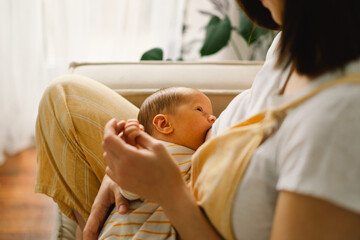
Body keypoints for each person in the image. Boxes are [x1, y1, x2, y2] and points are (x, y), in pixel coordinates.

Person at [35, 0, 360, 239]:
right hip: (186, 158)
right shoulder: (294, 42)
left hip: (185, 211)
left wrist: (168, 192)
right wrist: (130, 163)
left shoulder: (339, 119)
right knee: (63, 99)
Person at [98, 87, 216, 239]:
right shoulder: (153, 154)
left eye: (212, 114)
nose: (213, 118)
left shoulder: (195, 156)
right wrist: (131, 144)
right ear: (163, 124)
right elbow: (129, 187)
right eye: (200, 110)